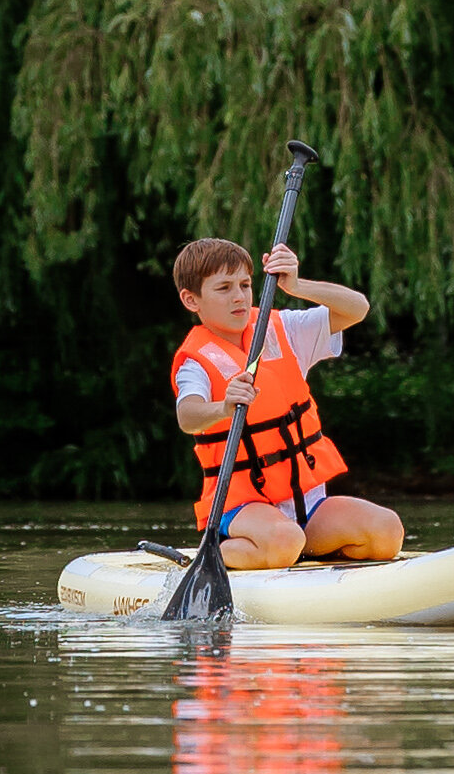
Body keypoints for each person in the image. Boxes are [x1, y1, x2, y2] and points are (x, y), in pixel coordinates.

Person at [170, 234, 404, 571]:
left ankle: (295, 560)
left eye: (245, 285)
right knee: (285, 540)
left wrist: (297, 286)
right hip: (243, 508)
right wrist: (223, 407)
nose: (239, 296)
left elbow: (357, 308)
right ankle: (211, 556)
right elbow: (188, 416)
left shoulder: (285, 329)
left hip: (306, 506)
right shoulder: (195, 362)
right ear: (192, 300)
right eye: (224, 288)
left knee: (386, 532)